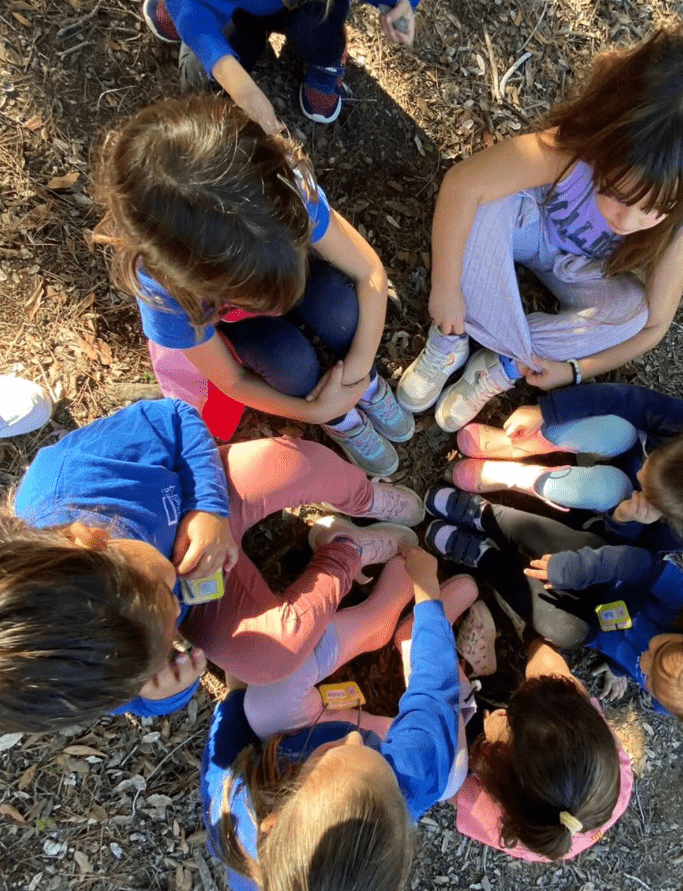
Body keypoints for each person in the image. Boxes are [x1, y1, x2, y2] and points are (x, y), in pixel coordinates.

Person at [0, 397, 423, 732]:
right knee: (270, 658)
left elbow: (175, 417)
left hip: (205, 503)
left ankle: (362, 496)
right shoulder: (71, 672)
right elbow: (136, 694)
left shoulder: (72, 475)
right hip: (202, 599)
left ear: (88, 538)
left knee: (294, 465)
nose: (173, 606)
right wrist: (165, 692)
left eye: (160, 590)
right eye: (169, 636)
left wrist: (207, 507)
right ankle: (345, 548)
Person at [398, 23, 683, 432]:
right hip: (528, 222)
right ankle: (452, 336)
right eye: (614, 192)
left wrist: (574, 369)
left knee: (631, 313)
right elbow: (463, 183)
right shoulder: (576, 149)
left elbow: (653, 326)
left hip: (581, 270)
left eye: (653, 209)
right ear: (609, 134)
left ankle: (504, 362)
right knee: (486, 205)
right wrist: (446, 288)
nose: (625, 221)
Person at [93, 94, 411, 476]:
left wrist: (358, 369)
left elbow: (369, 272)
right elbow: (232, 379)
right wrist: (315, 411)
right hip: (240, 328)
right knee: (289, 362)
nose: (278, 310)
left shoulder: (285, 193)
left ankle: (367, 385)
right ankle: (339, 418)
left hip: (296, 280)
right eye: (248, 295)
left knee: (338, 309)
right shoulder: (166, 290)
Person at [423, 491, 683, 762]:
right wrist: (575, 570)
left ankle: (486, 558)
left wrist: (619, 668)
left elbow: (643, 667)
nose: (645, 660)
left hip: (600, 626)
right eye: (658, 651)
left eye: (648, 677)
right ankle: (487, 515)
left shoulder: (675, 695)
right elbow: (640, 565)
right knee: (558, 542)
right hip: (606, 571)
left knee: (558, 627)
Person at [201, 548, 469, 891]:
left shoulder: (235, 820)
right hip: (401, 756)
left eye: (329, 754)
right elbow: (433, 694)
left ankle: (374, 620)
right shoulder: (406, 780)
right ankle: (402, 631)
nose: (355, 737)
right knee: (450, 772)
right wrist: (428, 593)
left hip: (295, 736)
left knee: (260, 698)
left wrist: (238, 693)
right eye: (377, 758)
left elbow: (223, 752)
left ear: (273, 820)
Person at [449, 383, 683, 552]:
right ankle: (524, 443)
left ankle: (520, 478)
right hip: (619, 439)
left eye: (654, 492)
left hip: (613, 490)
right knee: (617, 427)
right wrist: (548, 411)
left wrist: (624, 520)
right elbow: (629, 400)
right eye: (653, 462)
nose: (642, 473)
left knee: (610, 489)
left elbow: (637, 547)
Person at [456, 636, 632, 862]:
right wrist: (537, 647)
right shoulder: (613, 777)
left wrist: (492, 735)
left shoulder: (495, 818)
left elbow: (451, 788)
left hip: (495, 772)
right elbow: (548, 664)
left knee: (459, 748)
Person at [141, 0, 417, 128]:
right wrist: (246, 93)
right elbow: (195, 22)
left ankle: (326, 56)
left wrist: (403, 4)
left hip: (310, 10)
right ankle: (193, 12)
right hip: (237, 11)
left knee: (316, 33)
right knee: (200, 80)